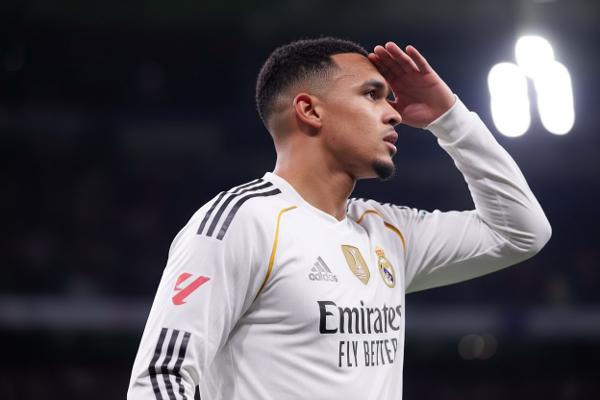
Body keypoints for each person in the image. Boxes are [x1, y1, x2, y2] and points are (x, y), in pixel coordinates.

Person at [127, 37, 551, 400]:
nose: (394, 113)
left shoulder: (388, 232)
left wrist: (450, 117)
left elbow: (521, 231)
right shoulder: (243, 222)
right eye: (371, 95)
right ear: (310, 110)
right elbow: (161, 377)